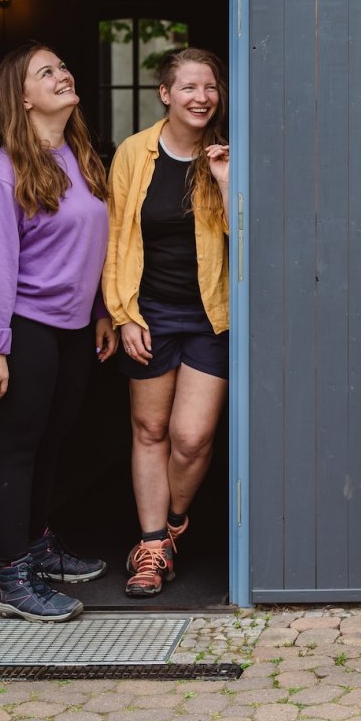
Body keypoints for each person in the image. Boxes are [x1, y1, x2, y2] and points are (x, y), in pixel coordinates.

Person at [0, 42, 117, 622]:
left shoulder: (79, 156)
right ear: (23, 97)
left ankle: (34, 545)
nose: (63, 74)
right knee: (16, 452)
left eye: (63, 64)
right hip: (23, 330)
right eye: (46, 71)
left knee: (51, 445)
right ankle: (11, 579)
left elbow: (92, 245)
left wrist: (101, 309)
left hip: (73, 329)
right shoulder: (1, 175)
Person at [103, 47, 230, 596]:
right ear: (165, 94)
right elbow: (114, 238)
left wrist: (225, 180)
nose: (201, 98)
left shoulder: (226, 153)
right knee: (150, 431)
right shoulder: (134, 154)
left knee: (191, 437)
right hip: (149, 313)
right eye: (189, 88)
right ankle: (151, 546)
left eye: (209, 88)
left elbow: (248, 239)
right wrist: (121, 314)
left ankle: (174, 523)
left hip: (210, 315)